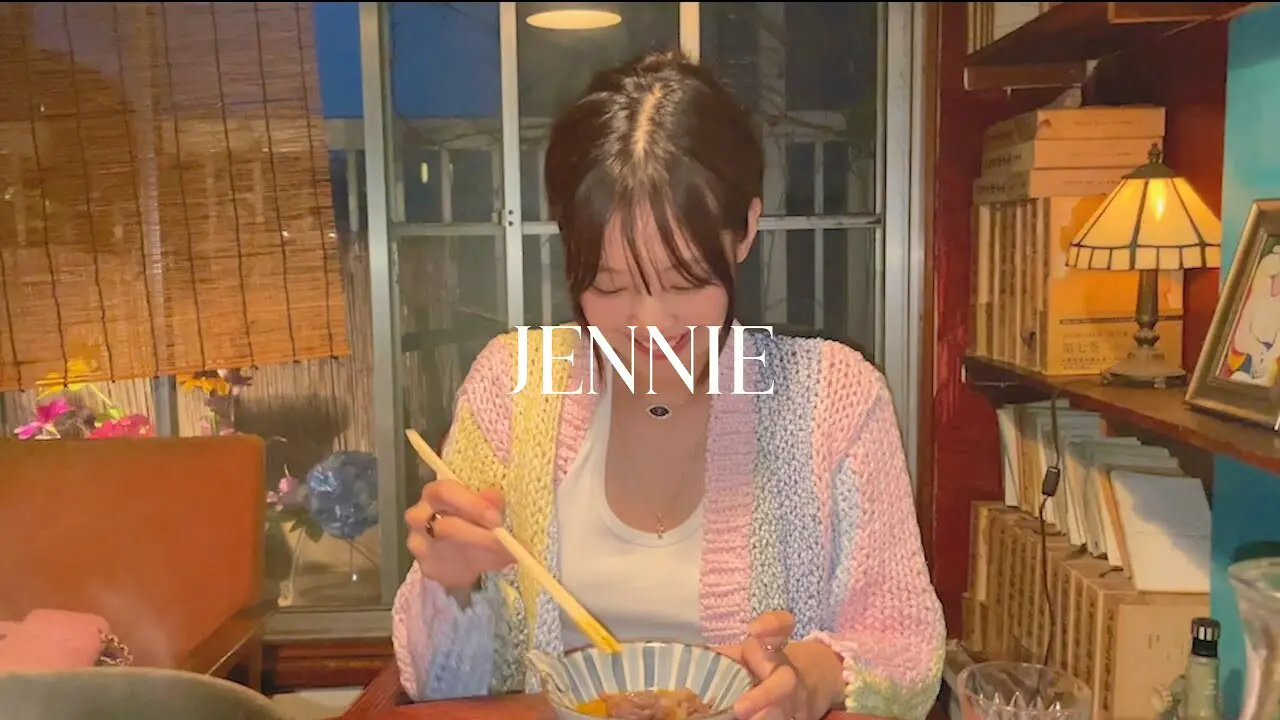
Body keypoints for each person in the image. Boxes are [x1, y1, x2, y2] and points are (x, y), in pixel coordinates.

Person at [392, 50, 945, 720]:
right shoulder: (512, 386)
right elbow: (442, 691)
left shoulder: (834, 399)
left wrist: (812, 677)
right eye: (610, 285)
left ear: (745, 230)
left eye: (684, 280)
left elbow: (906, 647)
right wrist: (453, 588)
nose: (650, 325)